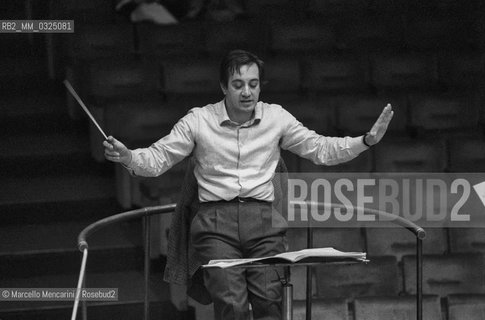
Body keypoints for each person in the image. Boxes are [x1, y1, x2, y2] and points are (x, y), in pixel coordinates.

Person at [103, 49, 393, 319]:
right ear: (223, 87)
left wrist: (365, 141)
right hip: (215, 224)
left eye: (253, 84)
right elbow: (157, 159)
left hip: (264, 223)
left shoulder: (276, 118)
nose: (247, 92)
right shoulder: (199, 120)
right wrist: (128, 156)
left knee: (269, 302)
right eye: (238, 84)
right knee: (232, 305)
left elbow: (321, 149)